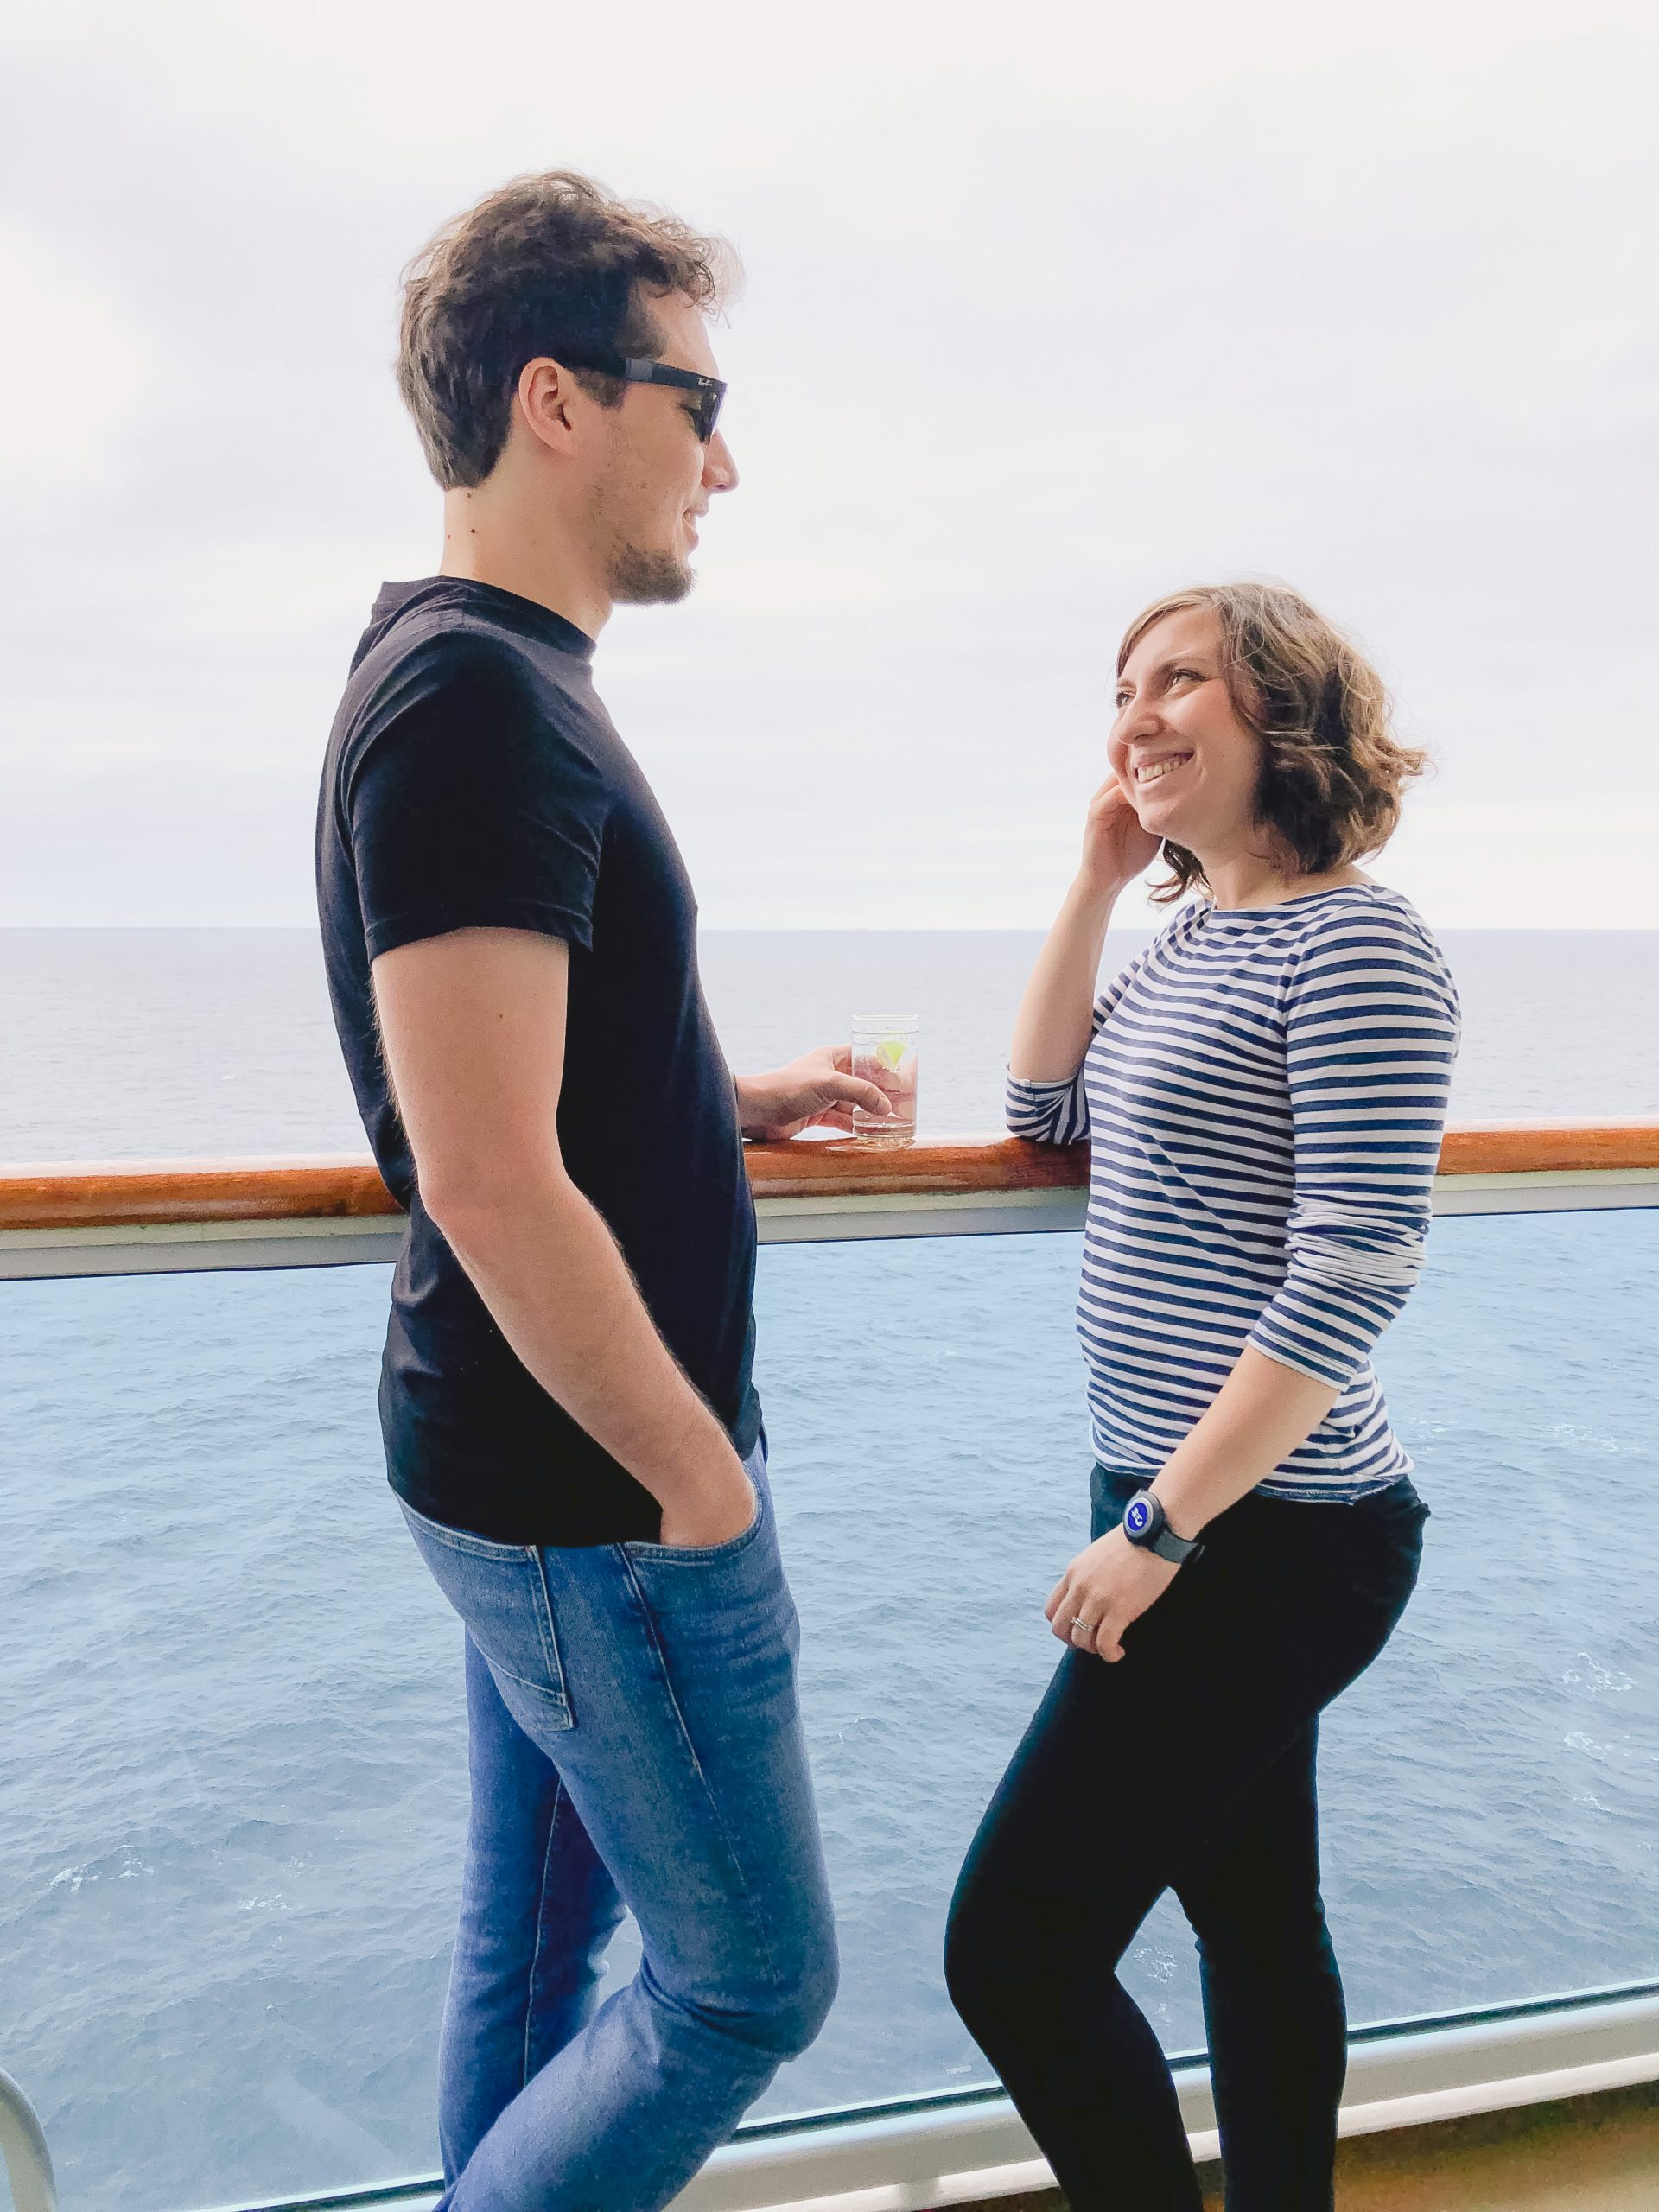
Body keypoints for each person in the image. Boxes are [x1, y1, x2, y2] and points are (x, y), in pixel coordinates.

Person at [315, 171, 888, 2212]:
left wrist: (726, 1092)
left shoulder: (486, 676)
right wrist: (699, 1486)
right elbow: (481, 1167)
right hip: (597, 1497)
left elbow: (516, 1069)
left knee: (537, 1934)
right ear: (557, 401)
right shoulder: (479, 702)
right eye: (695, 402)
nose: (724, 461)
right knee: (749, 1982)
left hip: (539, 1473)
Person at [944, 582, 1461, 2212]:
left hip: (1271, 1532)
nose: (1139, 714)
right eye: (1124, 688)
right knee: (1249, 1915)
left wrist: (1161, 1524)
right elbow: (1039, 1106)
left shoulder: (1362, 943)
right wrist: (1093, 886)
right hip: (1181, 1508)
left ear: (1283, 718)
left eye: (1185, 682)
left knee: (1013, 1952)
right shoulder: (1195, 939)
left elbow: (1354, 1271)